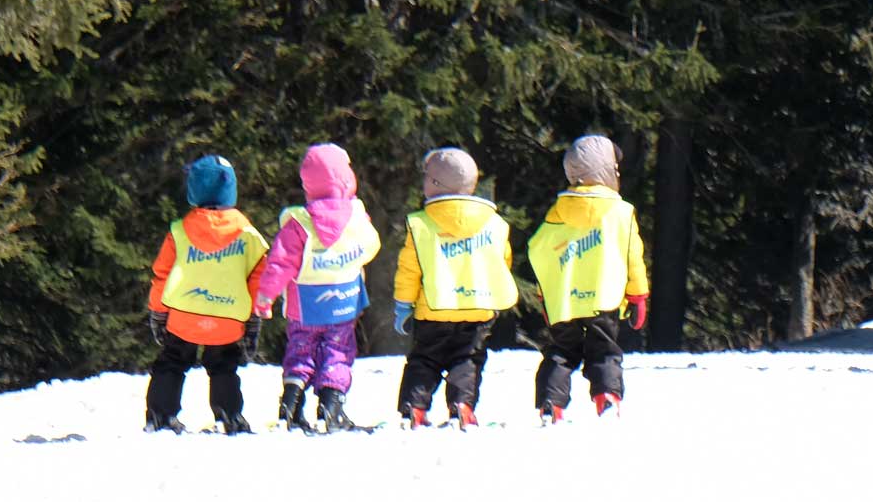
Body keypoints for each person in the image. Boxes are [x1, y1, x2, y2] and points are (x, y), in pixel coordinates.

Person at [252, 142, 381, 432]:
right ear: (348, 179)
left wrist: (265, 296)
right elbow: (372, 246)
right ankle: (332, 404)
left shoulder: (298, 224)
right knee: (337, 350)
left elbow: (280, 263)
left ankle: (292, 403)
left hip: (304, 305)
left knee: (301, 350)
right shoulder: (357, 217)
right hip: (343, 303)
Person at [391, 146, 518, 429]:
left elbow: (410, 269)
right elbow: (502, 261)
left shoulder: (421, 225)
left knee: (424, 360)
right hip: (478, 308)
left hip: (433, 310)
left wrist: (403, 304)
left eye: (426, 177)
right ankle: (462, 404)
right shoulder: (493, 224)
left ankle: (415, 408)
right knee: (468, 360)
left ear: (435, 184)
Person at [527, 134, 649, 424]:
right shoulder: (621, 212)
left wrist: (547, 293)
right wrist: (638, 295)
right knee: (605, 351)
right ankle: (606, 396)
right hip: (603, 301)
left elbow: (538, 250)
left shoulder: (556, 214)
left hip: (565, 303)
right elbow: (633, 256)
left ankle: (550, 403)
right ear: (605, 172)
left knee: (561, 352)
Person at [144, 153, 270, 434]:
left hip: (183, 315)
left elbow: (162, 275)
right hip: (227, 317)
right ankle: (229, 413)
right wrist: (254, 316)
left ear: (194, 191)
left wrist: (158, 311)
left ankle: (160, 414)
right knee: (224, 365)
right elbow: (259, 278)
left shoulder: (179, 231)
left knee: (172, 362)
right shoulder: (248, 234)